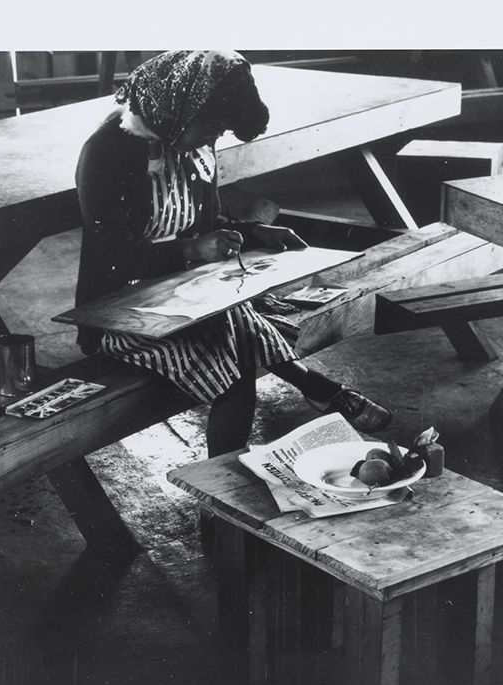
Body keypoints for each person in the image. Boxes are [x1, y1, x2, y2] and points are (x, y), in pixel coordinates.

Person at [75, 50, 392, 459]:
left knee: (234, 321)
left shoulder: (187, 144)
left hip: (181, 292)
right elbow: (112, 255)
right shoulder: (107, 152)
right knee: (237, 358)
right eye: (212, 126)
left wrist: (253, 232)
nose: (214, 138)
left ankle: (315, 392)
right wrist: (191, 250)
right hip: (119, 311)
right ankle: (222, 488)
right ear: (180, 107)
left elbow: (202, 220)